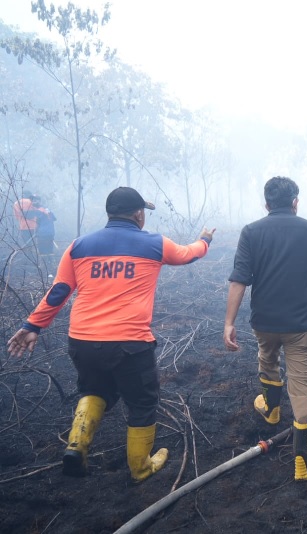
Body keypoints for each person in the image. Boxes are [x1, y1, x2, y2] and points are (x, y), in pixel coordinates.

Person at [6, 186, 215, 483]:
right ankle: (141, 468)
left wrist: (32, 326)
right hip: (129, 344)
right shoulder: (155, 244)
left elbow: (60, 291)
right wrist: (205, 240)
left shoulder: (78, 246)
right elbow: (188, 255)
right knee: (142, 402)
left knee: (96, 390)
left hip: (83, 342)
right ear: (139, 214)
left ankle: (76, 447)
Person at [224, 176, 307, 482]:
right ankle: (302, 462)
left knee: (267, 359)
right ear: (295, 202)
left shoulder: (251, 232)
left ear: (266, 204)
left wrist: (229, 323)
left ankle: (272, 410)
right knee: (301, 389)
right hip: (300, 326)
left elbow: (239, 279)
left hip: (264, 323)